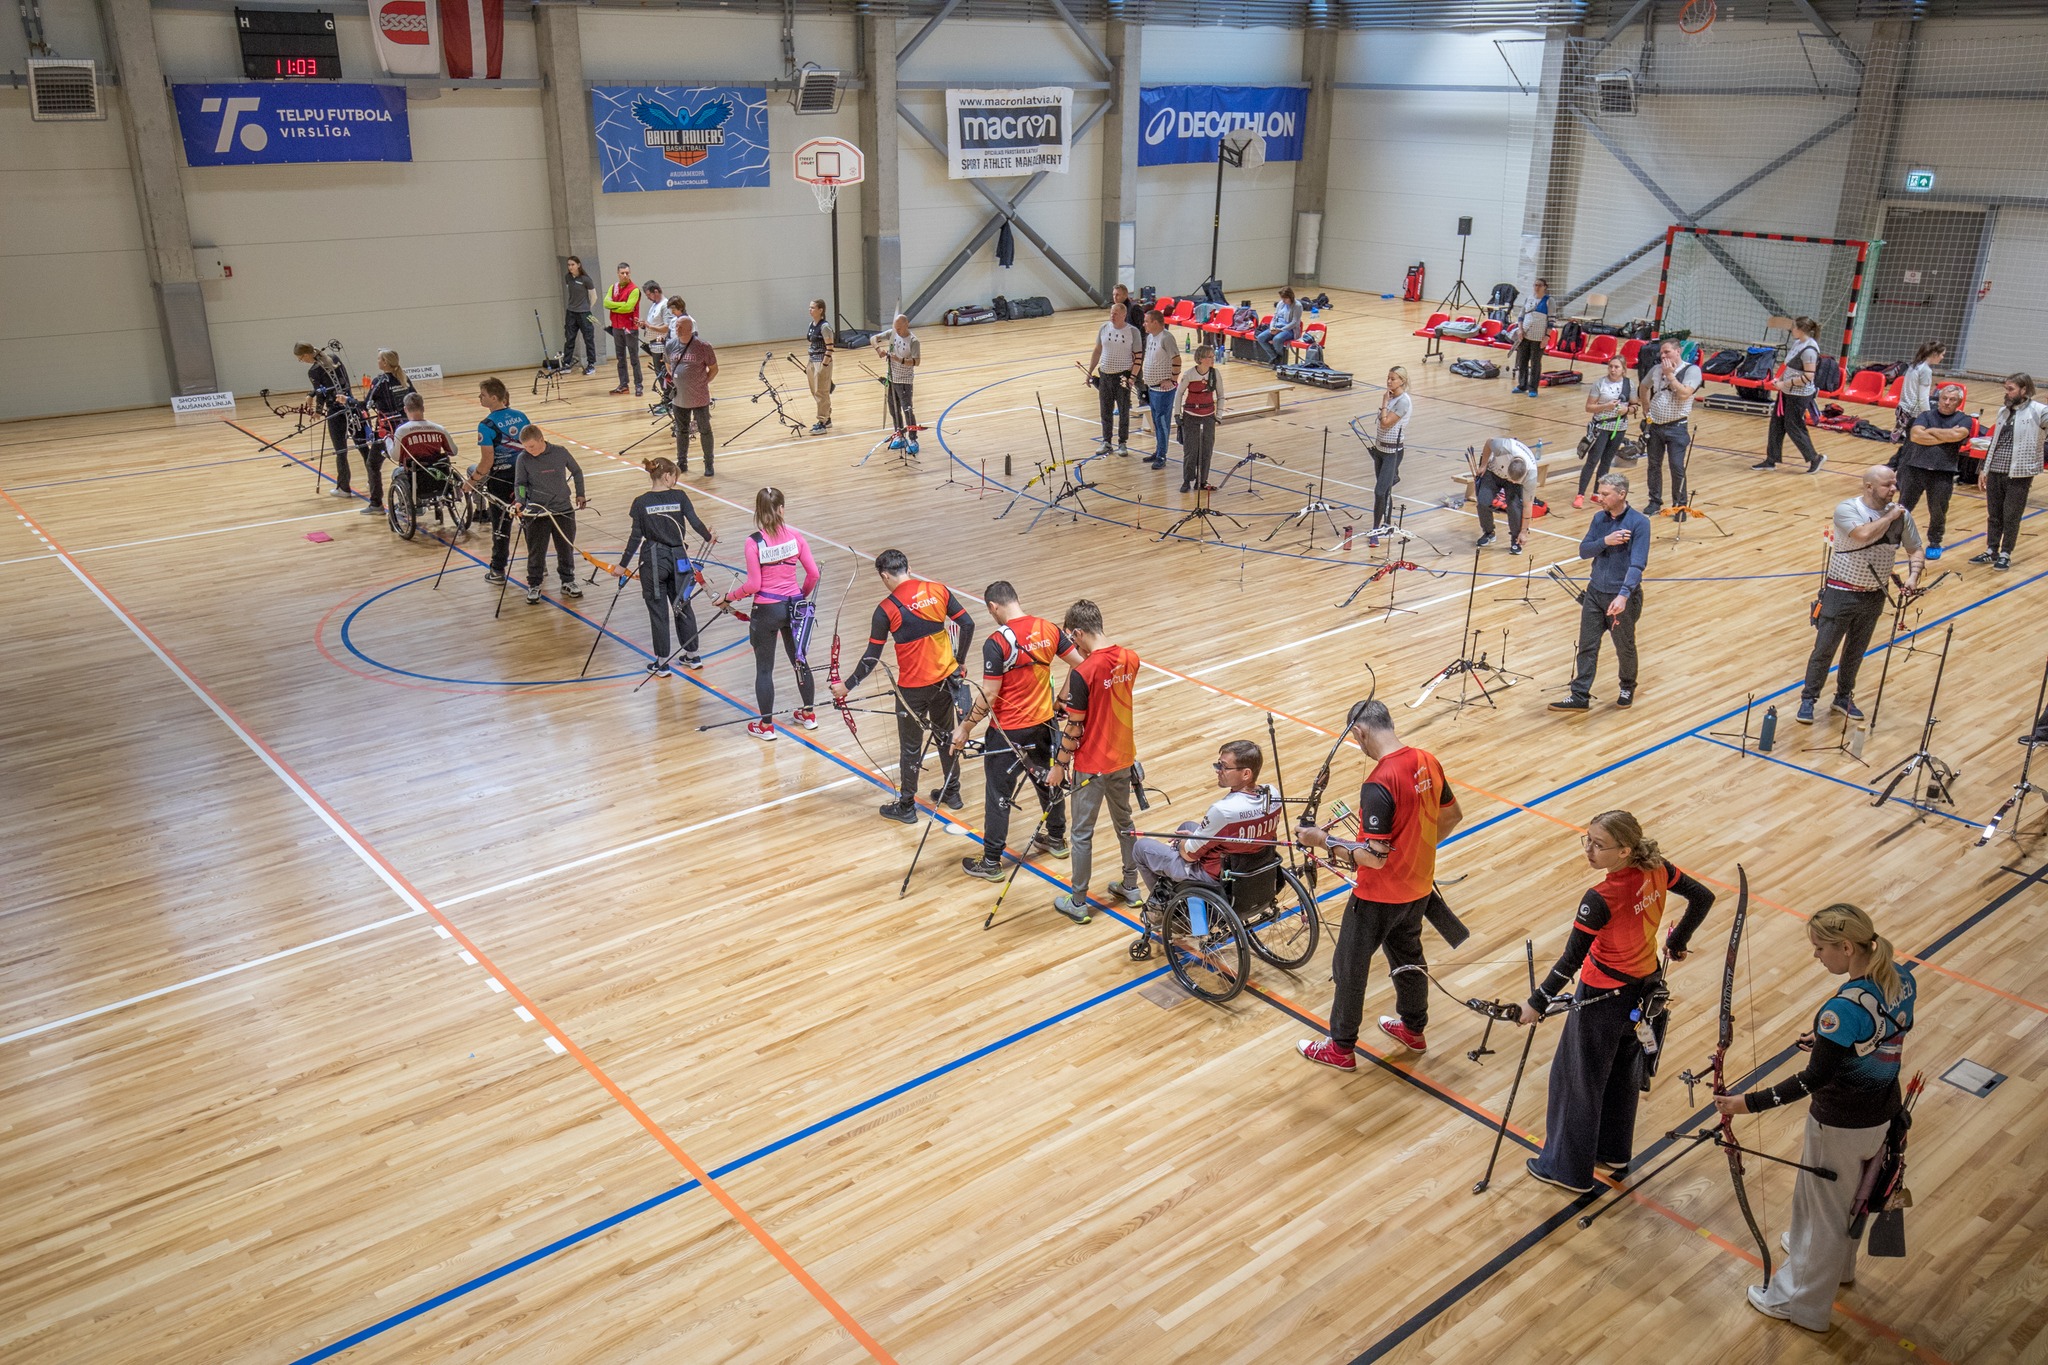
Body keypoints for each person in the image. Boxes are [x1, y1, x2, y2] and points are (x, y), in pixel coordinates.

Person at [1713, 904, 1917, 1333]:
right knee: (1850, 1198)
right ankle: (1838, 1268)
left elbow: (1812, 1079)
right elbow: (1887, 1033)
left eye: (1821, 948)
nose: (1816, 955)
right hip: (1883, 1112)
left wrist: (1747, 1103)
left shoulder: (1841, 1010)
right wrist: (1831, 1045)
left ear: (1847, 947)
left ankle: (1798, 1303)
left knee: (1823, 1212)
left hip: (1841, 1122)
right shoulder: (1900, 977)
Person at [1514, 811, 1715, 1193]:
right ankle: (1613, 1152)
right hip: (1644, 990)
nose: (1588, 849)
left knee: (1577, 1081)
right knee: (1622, 1073)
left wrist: (1536, 1003)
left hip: (1602, 998)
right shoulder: (1657, 868)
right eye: (1587, 839)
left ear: (1625, 850)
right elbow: (1702, 897)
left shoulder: (1601, 898)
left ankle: (1567, 1171)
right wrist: (1678, 941)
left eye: (1598, 844)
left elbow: (1570, 960)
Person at [1295, 700, 1463, 1066]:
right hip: (1418, 887)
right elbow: (1452, 815)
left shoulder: (1379, 781)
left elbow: (1374, 857)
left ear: (1359, 732)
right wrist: (1415, 852)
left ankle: (1340, 1049)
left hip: (1378, 896)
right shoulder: (1427, 760)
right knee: (1408, 957)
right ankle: (1413, 1031)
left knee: (1349, 968)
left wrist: (1321, 840)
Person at [953, 582, 1081, 880]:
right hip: (1045, 726)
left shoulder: (997, 642)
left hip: (1007, 734)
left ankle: (991, 861)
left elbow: (989, 694)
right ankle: (1056, 838)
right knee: (1049, 781)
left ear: (993, 607)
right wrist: (1063, 698)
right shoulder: (1048, 629)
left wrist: (966, 727)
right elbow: (1081, 665)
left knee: (998, 794)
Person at [836, 549, 975, 811]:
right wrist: (960, 661)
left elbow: (871, 657)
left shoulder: (886, 609)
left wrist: (847, 686)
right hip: (945, 681)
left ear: (884, 576)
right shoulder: (938, 590)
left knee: (911, 747)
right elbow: (968, 624)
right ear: (908, 569)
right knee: (946, 735)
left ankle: (907, 806)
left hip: (913, 689)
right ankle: (952, 793)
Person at [1797, 465, 1925, 725]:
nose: (1894, 489)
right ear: (1869, 487)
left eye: (1895, 484)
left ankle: (1843, 697)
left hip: (1874, 594)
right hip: (1841, 592)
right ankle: (1808, 699)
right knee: (1824, 650)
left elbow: (1915, 549)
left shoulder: (1902, 515)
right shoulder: (1848, 509)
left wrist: (1913, 577)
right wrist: (1890, 517)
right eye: (1887, 485)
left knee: (1856, 651)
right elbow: (1862, 534)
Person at [1046, 599, 1142, 927]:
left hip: (1092, 764)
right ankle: (1131, 887)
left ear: (1078, 632)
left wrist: (1059, 765)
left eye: (1072, 639)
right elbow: (1109, 699)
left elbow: (1074, 728)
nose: (1073, 646)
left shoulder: (1083, 671)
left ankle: (1078, 902)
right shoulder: (1131, 658)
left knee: (1081, 833)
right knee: (1125, 824)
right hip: (1123, 757)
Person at [720, 487, 821, 741]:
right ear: (782, 509)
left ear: (758, 511)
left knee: (764, 670)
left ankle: (766, 726)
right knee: (800, 661)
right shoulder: (795, 537)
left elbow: (754, 585)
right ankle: (808, 714)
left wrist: (730, 597)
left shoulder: (754, 542)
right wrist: (801, 595)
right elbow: (813, 574)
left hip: (766, 610)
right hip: (794, 606)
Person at [1130, 740, 1282, 903]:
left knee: (1141, 848)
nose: (1218, 770)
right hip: (1252, 868)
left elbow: (1189, 855)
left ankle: (1163, 905)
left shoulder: (1224, 811)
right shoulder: (1272, 793)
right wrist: (1192, 838)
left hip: (1216, 877)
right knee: (1187, 826)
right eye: (1218, 764)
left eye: (1224, 767)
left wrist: (1181, 843)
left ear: (1246, 774)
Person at [1552, 473, 1651, 712]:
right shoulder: (1599, 519)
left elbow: (1638, 564)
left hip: (1620, 597)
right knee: (1587, 645)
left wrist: (1623, 595)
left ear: (1622, 494)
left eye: (1605, 494)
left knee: (1624, 646)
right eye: (1600, 493)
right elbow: (1584, 551)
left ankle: (1627, 686)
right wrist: (1606, 540)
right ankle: (1580, 695)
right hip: (1595, 593)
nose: (1599, 498)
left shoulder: (1639, 523)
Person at [617, 457, 715, 675]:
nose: (675, 481)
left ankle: (662, 663)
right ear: (667, 476)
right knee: (683, 605)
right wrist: (709, 537)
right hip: (680, 559)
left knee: (658, 612)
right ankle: (693, 656)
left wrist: (622, 565)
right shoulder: (680, 496)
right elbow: (696, 522)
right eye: (675, 477)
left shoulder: (641, 502)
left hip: (653, 561)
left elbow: (635, 537)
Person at [511, 423, 587, 606]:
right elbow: (520, 483)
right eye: (526, 447)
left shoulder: (560, 452)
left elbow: (577, 471)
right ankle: (534, 584)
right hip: (537, 513)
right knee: (536, 551)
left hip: (563, 510)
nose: (529, 450)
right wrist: (520, 501)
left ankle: (567, 581)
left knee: (565, 548)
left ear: (541, 440)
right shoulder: (523, 458)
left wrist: (580, 493)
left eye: (532, 446)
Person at [1977, 373, 2047, 572]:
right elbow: (1995, 442)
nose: (2007, 393)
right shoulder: (2003, 411)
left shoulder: (2039, 411)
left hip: (2020, 472)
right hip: (1996, 469)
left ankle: (2006, 553)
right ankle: (1991, 550)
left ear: (2024, 390)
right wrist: (1984, 468)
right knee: (1994, 514)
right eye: (2006, 388)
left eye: (2011, 389)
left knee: (2011, 515)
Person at [1897, 385, 1972, 561]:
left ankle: (1935, 542)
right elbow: (1916, 435)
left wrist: (1930, 431)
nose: (1947, 402)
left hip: (1943, 472)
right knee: (1903, 507)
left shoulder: (1965, 419)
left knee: (1938, 510)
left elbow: (1957, 435)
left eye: (1952, 400)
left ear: (1959, 402)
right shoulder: (1925, 415)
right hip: (1915, 468)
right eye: (1944, 398)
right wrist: (1945, 436)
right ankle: (1895, 536)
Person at [469, 378, 531, 585]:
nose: (479, 397)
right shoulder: (521, 416)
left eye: (483, 395)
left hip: (500, 482)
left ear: (494, 398)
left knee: (501, 526)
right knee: (528, 521)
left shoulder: (486, 425)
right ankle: (538, 565)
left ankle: (497, 570)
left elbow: (487, 462)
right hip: (524, 479)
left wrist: (471, 482)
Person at [295, 342, 373, 503]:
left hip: (336, 413)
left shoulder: (314, 371)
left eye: (301, 358)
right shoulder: (333, 358)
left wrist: (317, 410)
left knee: (340, 450)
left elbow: (322, 393)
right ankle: (374, 482)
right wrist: (311, 393)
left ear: (307, 354)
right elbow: (334, 384)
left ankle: (344, 488)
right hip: (352, 407)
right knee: (363, 446)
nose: (301, 361)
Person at [1755, 315, 1824, 474]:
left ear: (1801, 329)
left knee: (1793, 426)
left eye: (1793, 327)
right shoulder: (1797, 343)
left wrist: (1785, 384)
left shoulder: (1809, 350)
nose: (1791, 330)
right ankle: (1771, 459)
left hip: (1799, 395)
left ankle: (1814, 458)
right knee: (1776, 425)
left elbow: (1809, 377)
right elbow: (1788, 367)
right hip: (1786, 392)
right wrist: (1778, 379)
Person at [1641, 339, 1700, 515]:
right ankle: (1654, 501)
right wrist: (1645, 405)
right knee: (1653, 465)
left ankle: (1680, 505)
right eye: (1661, 352)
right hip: (1655, 426)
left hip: (1677, 427)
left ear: (1678, 351)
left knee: (1676, 466)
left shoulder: (1691, 370)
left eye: (1666, 352)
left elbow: (1684, 394)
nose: (1663, 356)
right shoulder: (1656, 369)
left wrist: (1670, 375)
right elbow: (1644, 386)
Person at [388, 392, 459, 525]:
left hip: (415, 475)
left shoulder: (402, 431)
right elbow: (453, 451)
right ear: (423, 408)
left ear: (405, 409)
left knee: (397, 473)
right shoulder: (439, 429)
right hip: (438, 475)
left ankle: (409, 505)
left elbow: (395, 456)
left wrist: (388, 441)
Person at [1575, 355, 1634, 507]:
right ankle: (1580, 494)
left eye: (1616, 367)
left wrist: (1627, 410)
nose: (1613, 370)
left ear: (1623, 369)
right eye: (1611, 367)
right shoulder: (1600, 383)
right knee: (1592, 460)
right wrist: (1606, 406)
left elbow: (1635, 406)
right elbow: (1589, 407)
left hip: (1619, 428)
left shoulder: (1629, 384)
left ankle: (1597, 493)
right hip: (1601, 428)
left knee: (1606, 461)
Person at [1087, 300, 1142, 455]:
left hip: (1123, 376)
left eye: (1116, 313)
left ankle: (1122, 442)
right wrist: (1090, 371)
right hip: (1105, 375)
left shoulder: (1133, 332)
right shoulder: (1104, 328)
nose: (1113, 316)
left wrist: (1133, 377)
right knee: (1105, 410)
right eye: (1111, 313)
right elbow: (1097, 351)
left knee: (1123, 410)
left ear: (1124, 315)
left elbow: (1138, 357)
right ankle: (1106, 441)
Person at [667, 314, 719, 477]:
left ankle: (708, 464)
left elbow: (714, 369)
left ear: (690, 328)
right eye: (676, 326)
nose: (677, 328)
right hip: (679, 398)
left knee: (705, 430)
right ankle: (682, 463)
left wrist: (703, 382)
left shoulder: (703, 346)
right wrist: (678, 380)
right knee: (681, 430)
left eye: (680, 326)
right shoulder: (670, 345)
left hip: (699, 397)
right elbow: (668, 364)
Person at [1366, 366, 1413, 538]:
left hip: (1392, 453)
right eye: (1388, 378)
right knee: (1385, 491)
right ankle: (1386, 526)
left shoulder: (1403, 401)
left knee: (1379, 491)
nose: (1389, 381)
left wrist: (1384, 403)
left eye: (1393, 379)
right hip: (1380, 450)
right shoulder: (1392, 397)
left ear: (1402, 381)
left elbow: (1385, 423)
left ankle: (1376, 529)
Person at [1470, 436, 1538, 555]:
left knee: (1515, 507)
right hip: (1494, 472)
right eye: (1511, 479)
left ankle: (1516, 540)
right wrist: (1483, 465)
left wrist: (1524, 531)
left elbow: (1527, 506)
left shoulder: (1530, 476)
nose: (1513, 481)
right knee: (1483, 502)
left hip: (1514, 482)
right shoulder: (1502, 447)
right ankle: (1489, 532)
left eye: (1515, 480)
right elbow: (1488, 442)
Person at [1173, 345, 1224, 493]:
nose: (1213, 359)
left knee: (1207, 450)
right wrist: (1177, 414)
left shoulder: (1215, 374)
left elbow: (1221, 395)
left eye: (1213, 356)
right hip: (1191, 416)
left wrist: (1219, 415)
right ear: (1200, 359)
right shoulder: (1189, 374)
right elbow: (1179, 394)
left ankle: (1202, 481)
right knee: (1191, 451)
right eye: (1209, 357)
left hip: (1208, 417)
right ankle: (1187, 480)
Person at [1140, 309, 1181, 470]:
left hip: (1163, 391)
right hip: (1152, 388)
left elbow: (1176, 359)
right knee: (1156, 422)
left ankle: (1162, 455)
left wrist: (1172, 380)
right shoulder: (1150, 337)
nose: (1144, 324)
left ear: (1155, 323)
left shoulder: (1166, 338)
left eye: (1146, 321)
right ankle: (1158, 451)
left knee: (1162, 422)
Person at [875, 315, 922, 454]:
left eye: (899, 328)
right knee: (894, 409)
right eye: (895, 328)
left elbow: (917, 361)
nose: (897, 331)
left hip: (905, 381)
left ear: (907, 324)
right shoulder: (893, 333)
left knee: (907, 410)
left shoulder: (913, 341)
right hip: (891, 378)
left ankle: (913, 439)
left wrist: (899, 360)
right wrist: (878, 349)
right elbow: (873, 338)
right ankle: (899, 435)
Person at [1893, 342, 1945, 445]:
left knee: (1904, 443)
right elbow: (1923, 398)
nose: (1942, 357)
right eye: (1942, 354)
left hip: (1902, 408)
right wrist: (1929, 416)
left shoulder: (1914, 365)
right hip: (1913, 413)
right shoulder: (1925, 370)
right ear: (1935, 354)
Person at [604, 262, 643, 396]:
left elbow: (629, 307)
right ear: (618, 274)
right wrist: (620, 305)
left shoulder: (635, 290)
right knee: (620, 358)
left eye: (627, 273)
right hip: (616, 327)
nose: (625, 275)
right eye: (622, 273)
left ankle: (638, 385)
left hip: (630, 328)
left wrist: (614, 306)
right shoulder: (613, 287)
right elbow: (606, 303)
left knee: (634, 358)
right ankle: (623, 385)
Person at [1510, 278, 1551, 396]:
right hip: (1525, 335)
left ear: (1545, 287)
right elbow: (1521, 316)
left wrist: (1547, 337)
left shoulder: (1549, 301)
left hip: (1538, 337)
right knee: (1522, 361)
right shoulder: (1529, 298)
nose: (1537, 287)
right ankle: (1522, 385)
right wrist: (1520, 330)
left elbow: (1551, 321)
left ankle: (1533, 388)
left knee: (1535, 363)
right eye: (1535, 285)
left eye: (1539, 285)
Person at [639, 281, 674, 405]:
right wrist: (644, 326)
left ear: (656, 291)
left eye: (649, 294)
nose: (648, 297)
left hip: (663, 345)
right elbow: (654, 325)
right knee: (660, 374)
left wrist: (649, 326)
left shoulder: (665, 305)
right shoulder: (655, 305)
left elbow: (667, 328)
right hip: (655, 346)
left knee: (665, 374)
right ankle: (666, 399)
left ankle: (670, 401)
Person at [562, 256, 597, 375]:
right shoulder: (567, 278)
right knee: (569, 339)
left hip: (584, 313)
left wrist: (586, 308)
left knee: (588, 339)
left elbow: (594, 296)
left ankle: (591, 364)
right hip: (571, 312)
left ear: (578, 265)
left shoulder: (586, 279)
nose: (570, 267)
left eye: (572, 264)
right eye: (568, 265)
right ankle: (566, 364)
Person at [805, 298, 833, 434]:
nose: (810, 310)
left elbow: (830, 347)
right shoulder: (811, 324)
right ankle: (827, 417)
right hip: (812, 360)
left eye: (812, 308)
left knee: (821, 392)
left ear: (820, 310)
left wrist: (824, 365)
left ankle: (822, 422)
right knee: (814, 391)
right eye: (810, 307)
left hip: (821, 361)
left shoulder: (825, 327)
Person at [1252, 287, 1301, 366]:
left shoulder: (1297, 306)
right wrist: (1272, 327)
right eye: (1282, 298)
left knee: (1277, 339)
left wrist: (1280, 330)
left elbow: (1294, 322)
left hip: (1289, 329)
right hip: (1277, 327)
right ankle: (1275, 357)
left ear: (1290, 297)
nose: (1283, 301)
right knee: (1261, 337)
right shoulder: (1281, 303)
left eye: (1285, 298)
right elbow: (1274, 317)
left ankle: (1280, 360)